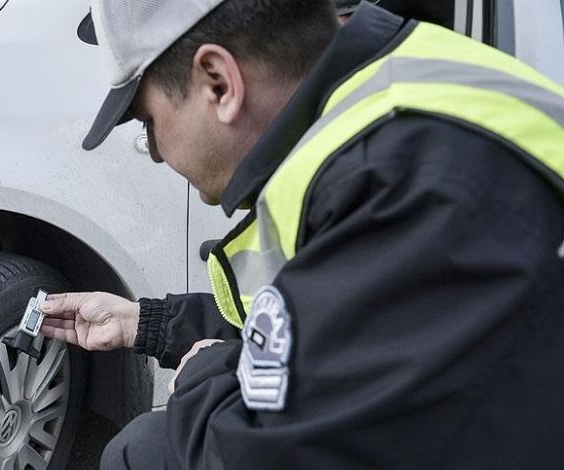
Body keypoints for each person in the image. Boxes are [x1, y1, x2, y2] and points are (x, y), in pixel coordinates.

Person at [41, 0, 564, 468]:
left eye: (147, 122)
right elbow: (333, 319)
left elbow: (264, 451)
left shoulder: (407, 177)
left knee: (147, 452)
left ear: (218, 83)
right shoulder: (393, 96)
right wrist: (147, 324)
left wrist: (205, 375)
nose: (154, 151)